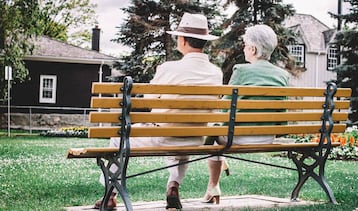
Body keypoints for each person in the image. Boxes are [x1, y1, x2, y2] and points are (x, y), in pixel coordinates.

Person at [94, 12, 223, 210]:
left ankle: (110, 195)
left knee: (116, 140)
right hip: (195, 138)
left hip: (164, 136)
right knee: (184, 132)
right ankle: (173, 185)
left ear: (183, 40)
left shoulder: (169, 68)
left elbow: (149, 100)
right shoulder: (216, 73)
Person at [202, 24, 290, 204]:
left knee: (213, 132)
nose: (243, 48)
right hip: (267, 138)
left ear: (253, 49)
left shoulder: (241, 71)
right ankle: (217, 170)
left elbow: (225, 110)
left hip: (235, 138)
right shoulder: (282, 75)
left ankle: (214, 182)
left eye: (245, 44)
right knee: (217, 133)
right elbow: (281, 113)